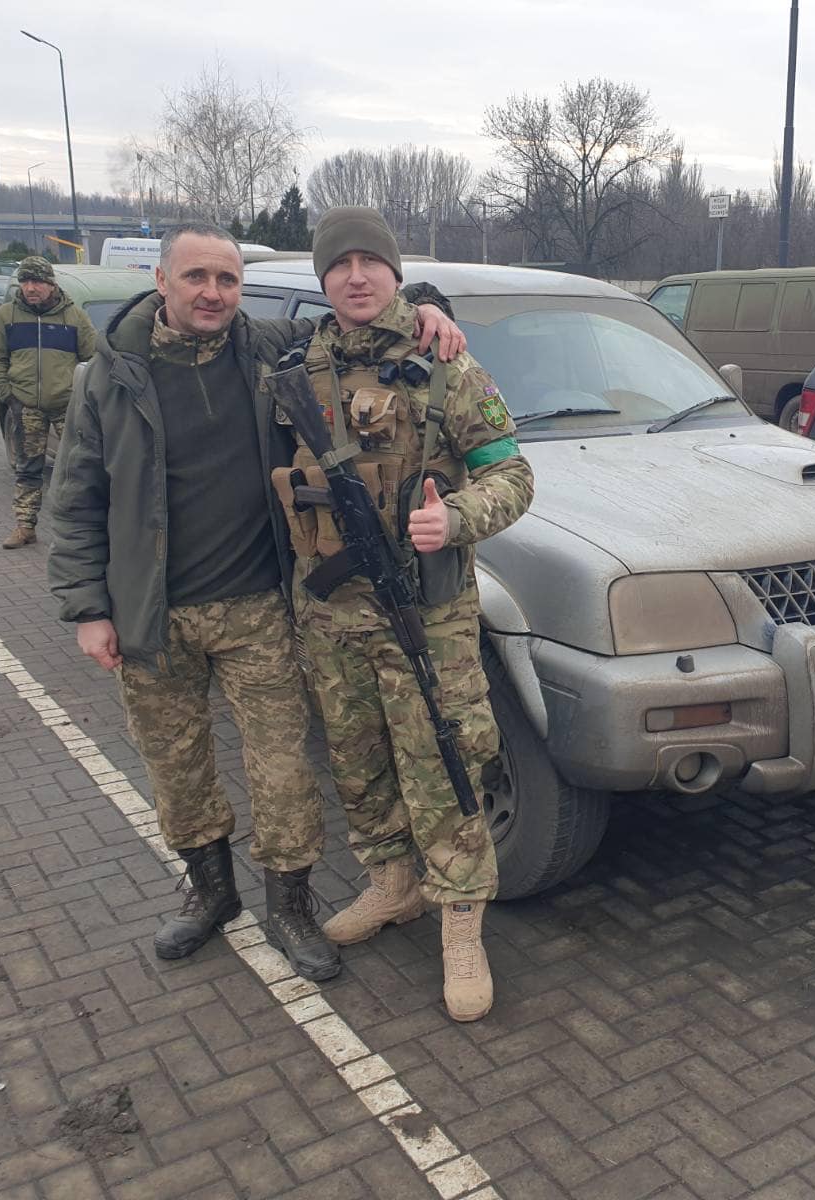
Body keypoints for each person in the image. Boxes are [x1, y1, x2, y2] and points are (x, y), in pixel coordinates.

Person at [47, 222, 465, 981]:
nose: (213, 294)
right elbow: (75, 501)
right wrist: (88, 609)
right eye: (197, 278)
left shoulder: (270, 349)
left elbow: (360, 313)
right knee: (179, 770)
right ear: (163, 282)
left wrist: (429, 300)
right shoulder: (107, 378)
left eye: (228, 280)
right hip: (151, 614)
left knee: (283, 772)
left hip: (257, 607)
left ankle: (290, 906)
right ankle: (210, 895)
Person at [273, 206, 533, 1022]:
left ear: (394, 272)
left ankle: (461, 920)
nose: (356, 275)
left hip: (427, 615)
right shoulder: (293, 365)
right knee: (355, 759)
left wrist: (455, 518)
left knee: (447, 761)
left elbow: (514, 475)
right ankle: (392, 883)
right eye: (339, 263)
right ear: (322, 278)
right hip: (330, 615)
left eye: (371, 262)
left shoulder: (447, 366)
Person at [0, 256, 96, 549]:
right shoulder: (6, 316)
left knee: (80, 467)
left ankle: (82, 529)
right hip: (26, 406)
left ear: (51, 283)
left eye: (38, 282)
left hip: (66, 407)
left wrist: (81, 395)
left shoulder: (73, 317)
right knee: (28, 468)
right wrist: (7, 394)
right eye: (26, 281)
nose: (31, 288)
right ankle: (25, 526)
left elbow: (93, 358)